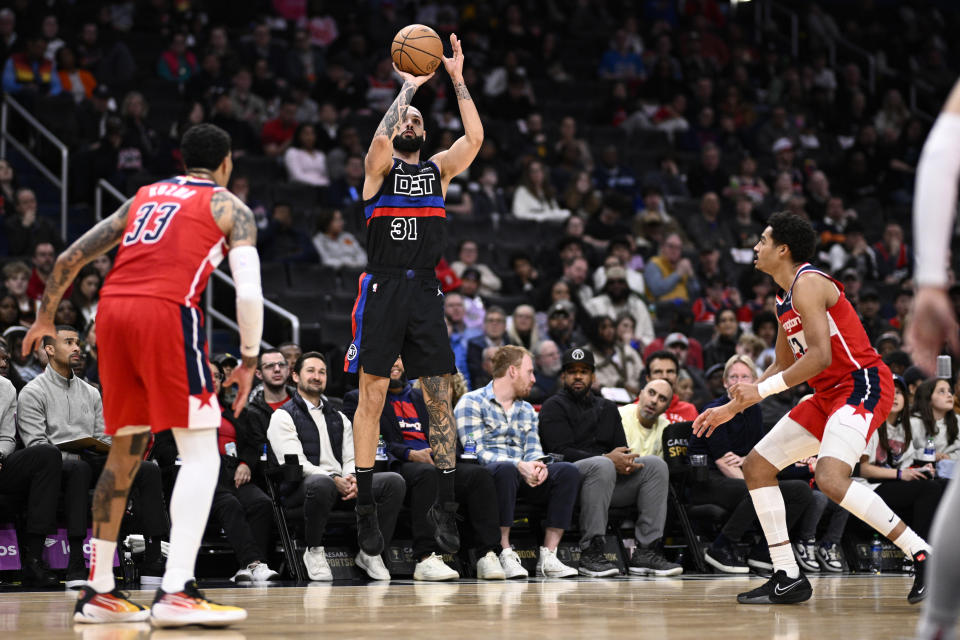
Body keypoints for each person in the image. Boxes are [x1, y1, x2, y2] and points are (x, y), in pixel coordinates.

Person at [23, 123, 257, 625]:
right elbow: (249, 293)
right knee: (201, 450)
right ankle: (177, 590)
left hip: (110, 315)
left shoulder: (145, 196)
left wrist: (45, 316)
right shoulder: (228, 206)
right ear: (226, 163)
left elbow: (71, 257)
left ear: (181, 157)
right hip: (165, 313)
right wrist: (252, 357)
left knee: (126, 447)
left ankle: (100, 590)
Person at [694, 212, 929, 605]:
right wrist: (736, 404)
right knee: (757, 466)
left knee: (831, 478)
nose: (755, 247)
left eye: (762, 241)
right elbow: (783, 365)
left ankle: (922, 553)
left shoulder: (810, 283)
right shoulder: (782, 299)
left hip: (862, 384)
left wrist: (760, 390)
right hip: (826, 396)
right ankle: (787, 574)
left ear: (782, 249)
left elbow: (819, 356)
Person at [347, 34, 483, 560]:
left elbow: (474, 138)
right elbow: (378, 142)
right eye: (407, 121)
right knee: (373, 393)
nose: (411, 124)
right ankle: (363, 511)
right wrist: (406, 91)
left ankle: (445, 506)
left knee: (438, 394)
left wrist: (456, 79)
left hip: (424, 286)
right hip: (382, 284)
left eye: (419, 122)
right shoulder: (379, 172)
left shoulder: (438, 172)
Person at [18, 325, 168, 588]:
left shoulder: (91, 391)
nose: (77, 348)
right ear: (50, 350)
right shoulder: (33, 391)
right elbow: (36, 446)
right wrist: (73, 451)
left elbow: (104, 437)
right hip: (57, 468)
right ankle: (77, 562)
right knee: (78, 469)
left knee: (146, 469)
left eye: (78, 342)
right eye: (68, 342)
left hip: (92, 459)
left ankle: (154, 559)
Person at [343, 358, 504, 581]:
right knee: (426, 474)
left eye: (399, 358)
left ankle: (487, 554)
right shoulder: (358, 398)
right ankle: (426, 557)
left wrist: (443, 454)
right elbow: (367, 440)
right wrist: (409, 453)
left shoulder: (420, 397)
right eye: (390, 356)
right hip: (398, 466)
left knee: (479, 476)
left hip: (433, 462)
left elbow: (444, 431)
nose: (395, 363)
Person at [539, 351, 682, 578]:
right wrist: (607, 458)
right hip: (570, 485)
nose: (578, 377)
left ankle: (646, 552)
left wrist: (624, 463)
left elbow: (621, 450)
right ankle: (591, 552)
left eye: (584, 372)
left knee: (655, 465)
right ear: (563, 376)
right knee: (602, 465)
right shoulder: (553, 406)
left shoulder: (607, 407)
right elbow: (557, 453)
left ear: (593, 377)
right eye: (572, 372)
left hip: (607, 484)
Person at [268, 352, 403, 582]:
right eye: (310, 371)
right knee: (321, 483)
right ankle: (314, 551)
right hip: (301, 488)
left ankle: (371, 551)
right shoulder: (283, 416)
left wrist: (352, 479)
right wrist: (333, 479)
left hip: (342, 484)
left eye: (322, 372)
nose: (317, 377)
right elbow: (296, 463)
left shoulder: (339, 416)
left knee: (393, 482)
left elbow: (352, 456)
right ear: (295, 376)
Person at [454, 345, 580, 578]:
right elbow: (477, 452)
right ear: (512, 371)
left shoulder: (527, 410)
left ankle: (549, 556)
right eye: (529, 372)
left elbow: (534, 450)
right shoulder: (470, 402)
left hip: (523, 476)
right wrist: (518, 464)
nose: (534, 379)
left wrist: (538, 466)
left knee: (567, 471)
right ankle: (504, 552)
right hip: (489, 479)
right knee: (505, 470)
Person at [207, 359, 280, 584]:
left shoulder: (233, 411)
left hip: (233, 471)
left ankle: (246, 569)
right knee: (229, 503)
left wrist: (245, 464)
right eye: (206, 374)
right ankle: (254, 563)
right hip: (204, 475)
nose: (213, 380)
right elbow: (168, 448)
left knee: (261, 503)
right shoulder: (182, 411)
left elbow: (250, 444)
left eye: (218, 376)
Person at [0, 371, 62, 587]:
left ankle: (34, 558)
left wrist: (0, 454)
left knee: (47, 454)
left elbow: (7, 437)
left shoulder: (6, 387)